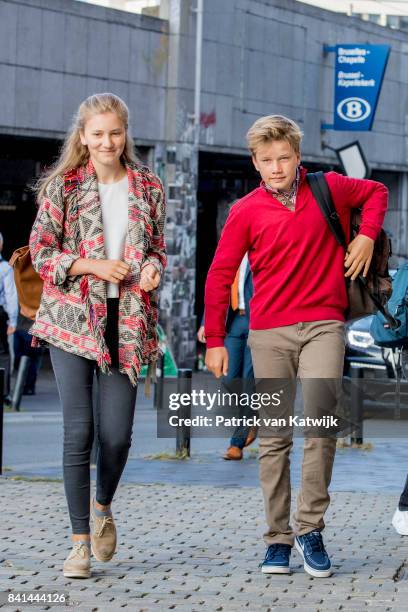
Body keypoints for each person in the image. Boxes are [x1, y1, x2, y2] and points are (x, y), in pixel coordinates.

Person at [204, 115, 387, 577]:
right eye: (267, 160)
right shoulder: (245, 210)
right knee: (274, 438)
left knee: (322, 425)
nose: (277, 167)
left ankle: (309, 528)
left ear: (298, 156)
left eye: (284, 157)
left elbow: (377, 192)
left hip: (325, 323)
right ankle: (277, 539)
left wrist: (365, 236)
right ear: (255, 163)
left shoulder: (329, 187)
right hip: (268, 331)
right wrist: (216, 338)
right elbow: (220, 274)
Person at [29, 93, 166, 578]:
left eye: (115, 132)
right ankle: (79, 543)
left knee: (117, 437)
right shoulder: (64, 186)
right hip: (70, 323)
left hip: (127, 322)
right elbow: (41, 254)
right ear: (82, 136)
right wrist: (92, 265)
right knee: (79, 432)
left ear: (125, 133)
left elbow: (157, 250)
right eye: (98, 133)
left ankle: (103, 504)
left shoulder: (148, 186)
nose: (107, 142)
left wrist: (149, 269)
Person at [198, 254, 257, 459]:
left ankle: (236, 444)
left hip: (258, 322)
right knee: (230, 378)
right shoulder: (231, 251)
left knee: (250, 382)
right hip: (234, 322)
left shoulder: (263, 245)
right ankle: (253, 418)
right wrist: (208, 322)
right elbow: (217, 286)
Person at [0, 232, 18, 403]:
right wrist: (12, 321)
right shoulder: (5, 268)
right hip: (0, 314)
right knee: (3, 355)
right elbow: (11, 295)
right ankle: (4, 393)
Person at [13, 308, 44, 395]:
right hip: (18, 328)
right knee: (18, 358)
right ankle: (25, 385)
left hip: (33, 330)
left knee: (32, 360)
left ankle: (29, 386)